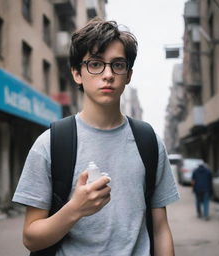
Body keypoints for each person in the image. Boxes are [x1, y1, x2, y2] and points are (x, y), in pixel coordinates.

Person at [12, 18, 179, 256]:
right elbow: (31, 238)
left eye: (118, 65)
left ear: (128, 75)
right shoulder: (49, 144)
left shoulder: (149, 141)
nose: (108, 74)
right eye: (95, 64)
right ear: (77, 73)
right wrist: (74, 210)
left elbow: (161, 229)